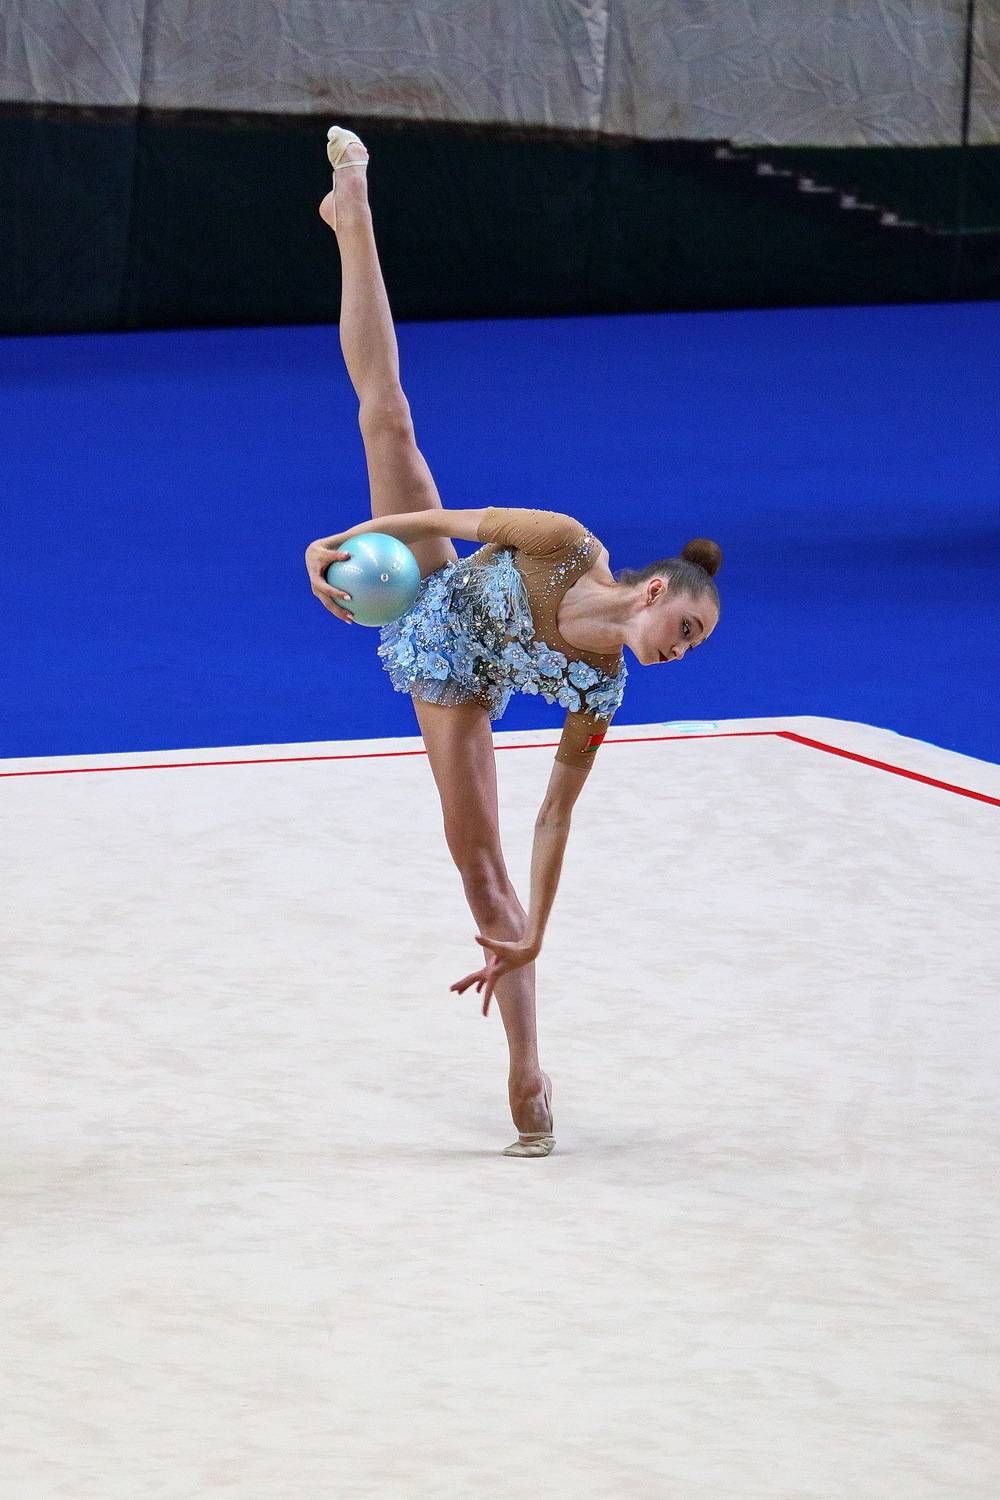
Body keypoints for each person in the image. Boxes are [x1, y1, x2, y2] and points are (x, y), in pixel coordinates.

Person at [304, 127, 722, 1157]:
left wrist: (539, 925)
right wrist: (335, 541)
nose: (682, 648)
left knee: (481, 862)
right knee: (388, 418)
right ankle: (353, 214)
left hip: (456, 678)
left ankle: (526, 1064)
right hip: (435, 581)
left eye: (695, 646)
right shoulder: (562, 543)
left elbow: (554, 816)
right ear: (654, 590)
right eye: (685, 627)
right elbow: (439, 522)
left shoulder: (602, 689)